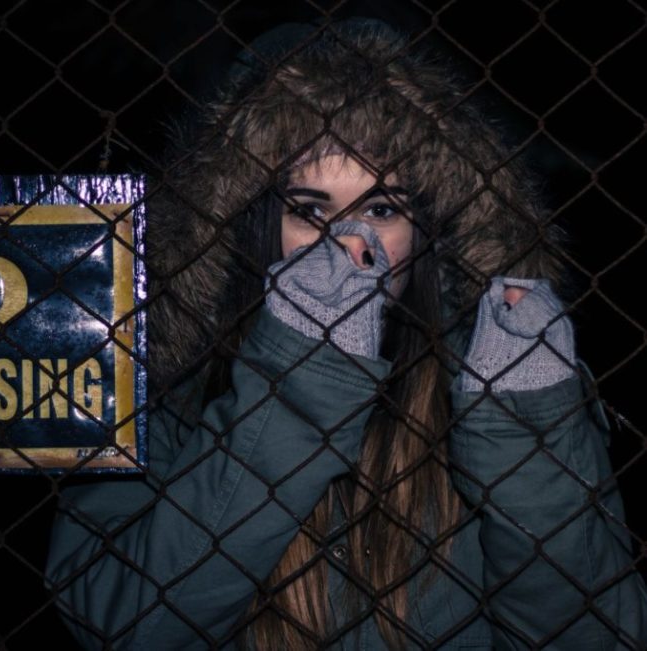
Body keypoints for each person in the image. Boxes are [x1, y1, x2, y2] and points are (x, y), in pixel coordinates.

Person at [45, 18, 647, 649]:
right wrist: (300, 379)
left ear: (430, 230)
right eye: (310, 212)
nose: (350, 245)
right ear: (247, 224)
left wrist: (522, 432)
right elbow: (127, 625)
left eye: (381, 210)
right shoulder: (162, 396)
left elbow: (592, 635)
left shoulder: (500, 386)